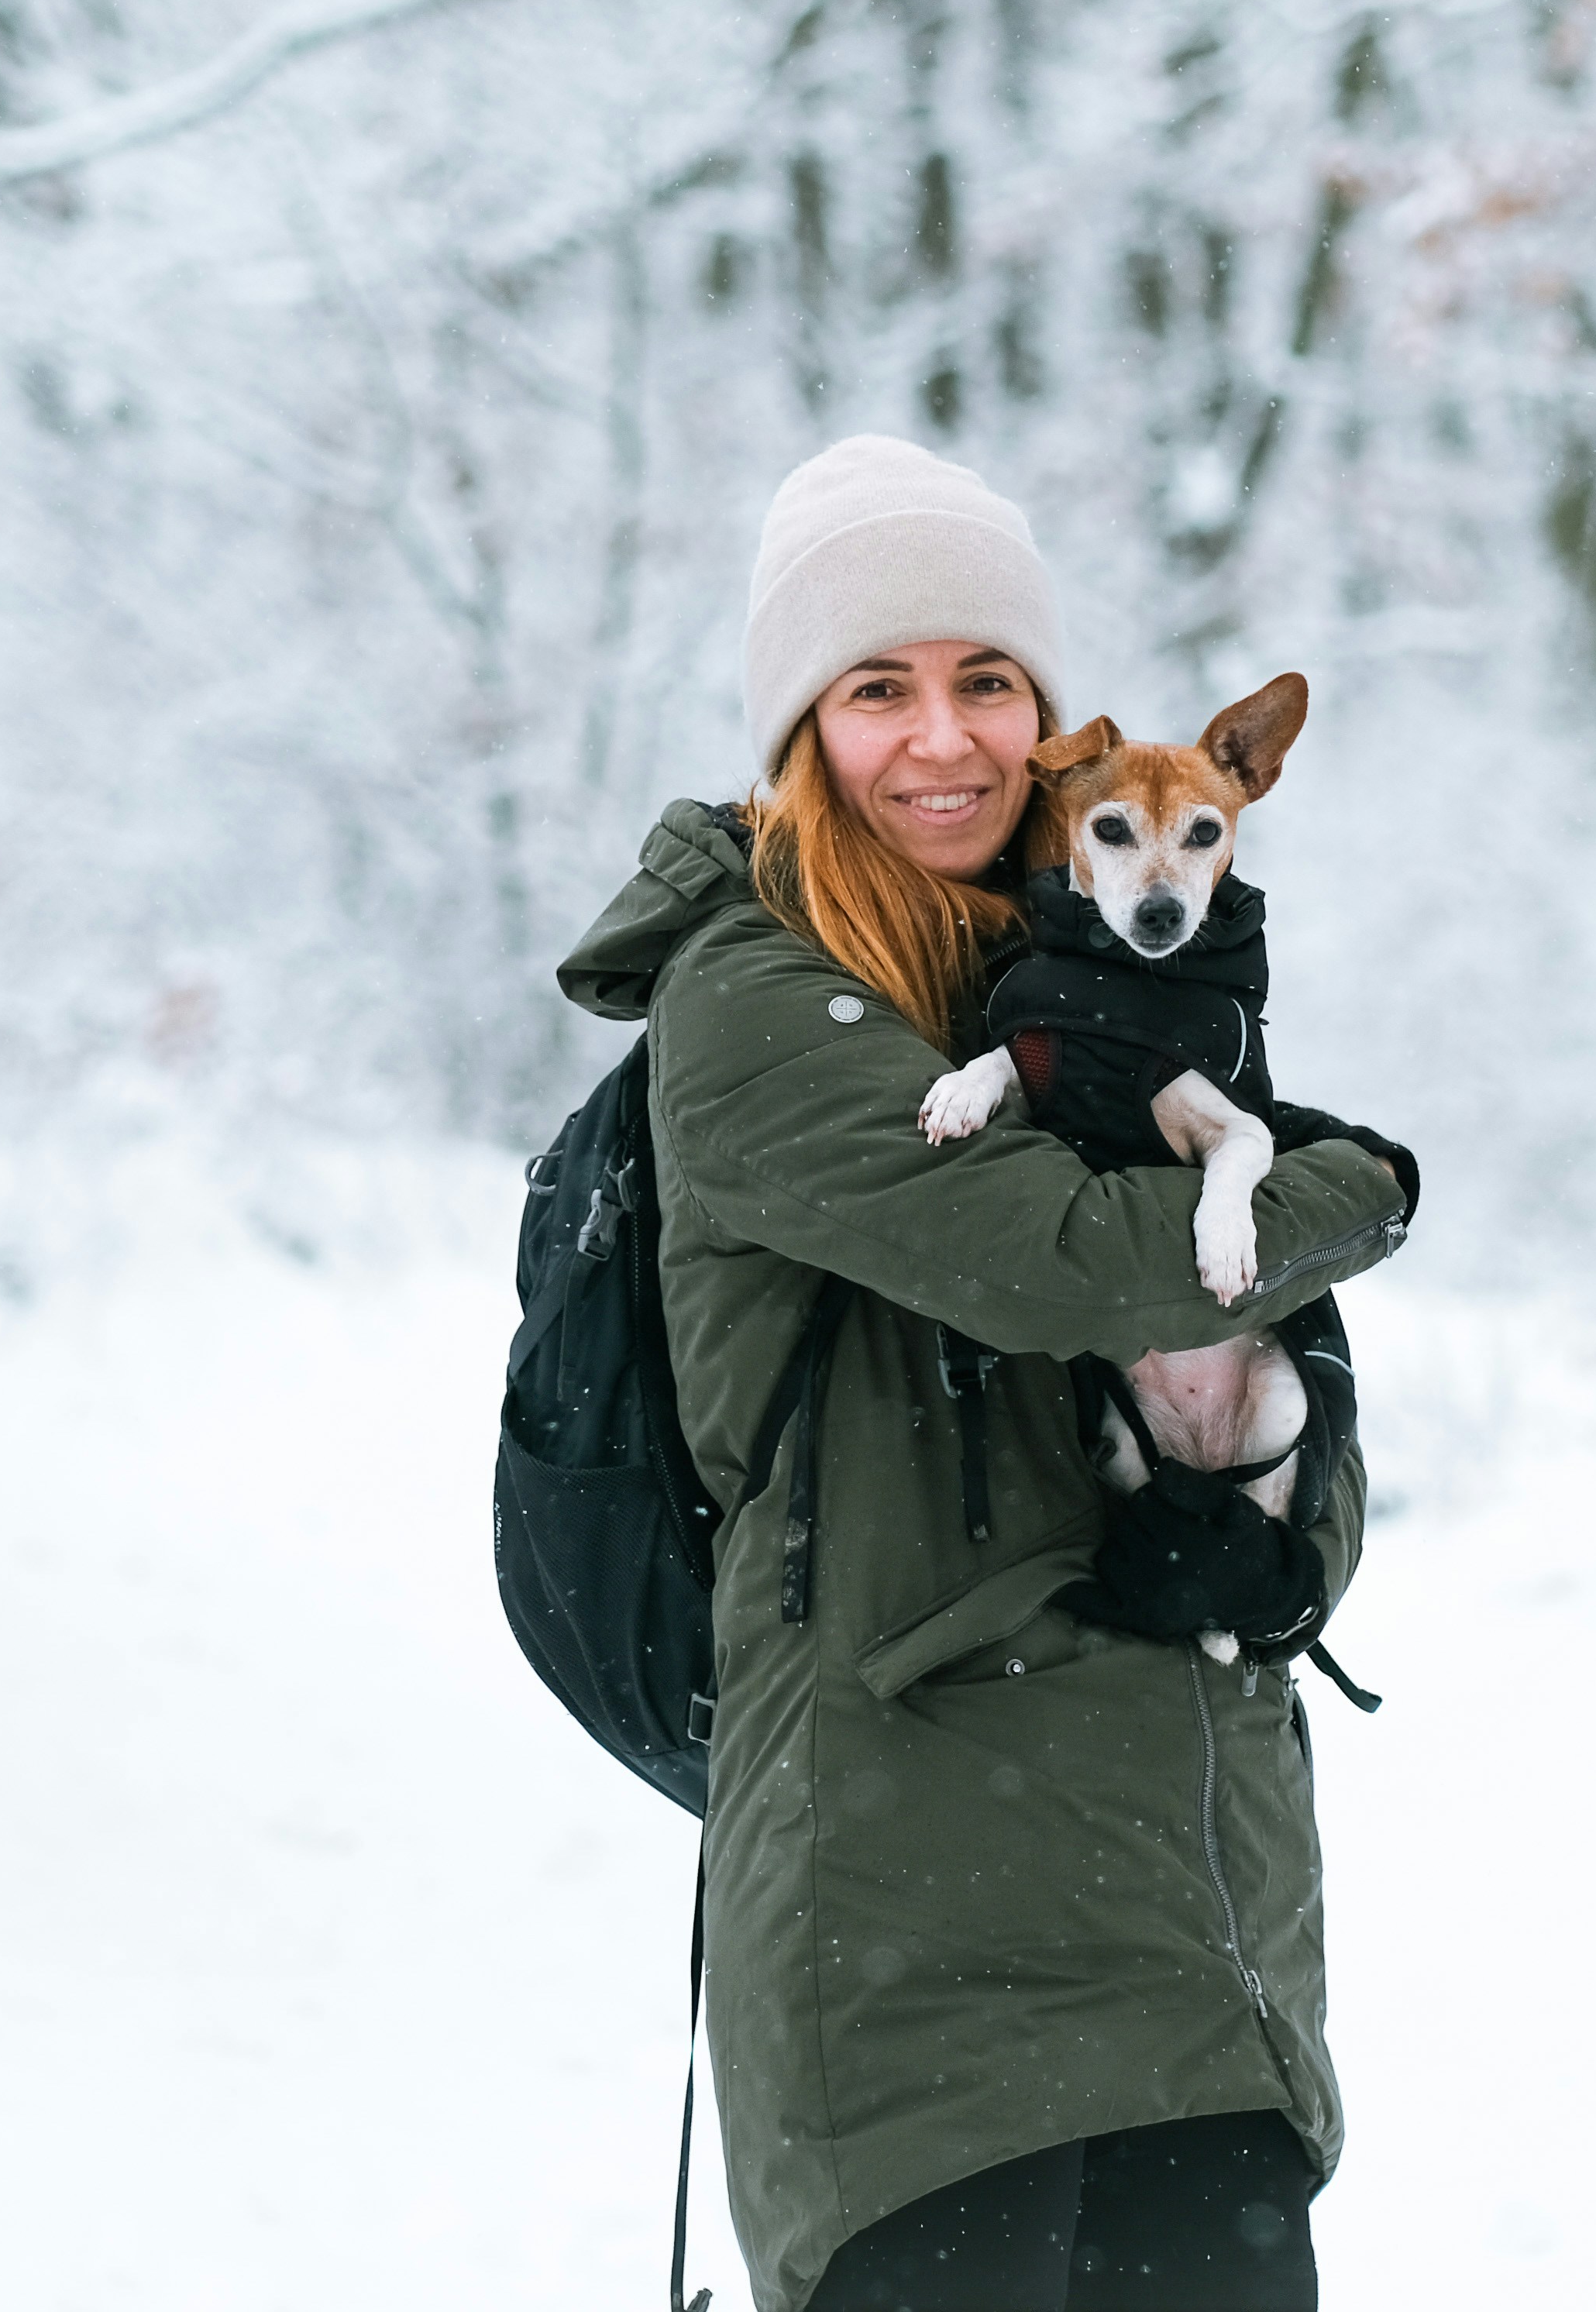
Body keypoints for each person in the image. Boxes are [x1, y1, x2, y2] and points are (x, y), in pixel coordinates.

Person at [555, 435, 1419, 2312]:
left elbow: (1274, 1342)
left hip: (1194, 1921)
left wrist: (1291, 1547)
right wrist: (1371, 1179)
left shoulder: (1096, 965)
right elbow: (1065, 1262)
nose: (942, 739)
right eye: (877, 689)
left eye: (987, 683)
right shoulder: (758, 997)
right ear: (802, 728)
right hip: (909, 1958)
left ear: (1052, 724)